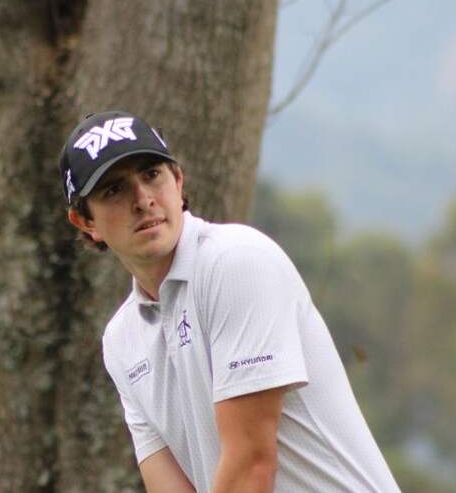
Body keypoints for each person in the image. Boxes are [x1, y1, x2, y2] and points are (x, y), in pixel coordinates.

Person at [59, 111, 400, 493]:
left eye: (152, 174)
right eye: (113, 190)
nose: (143, 199)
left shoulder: (236, 262)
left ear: (178, 179)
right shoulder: (122, 341)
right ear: (84, 221)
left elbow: (251, 466)